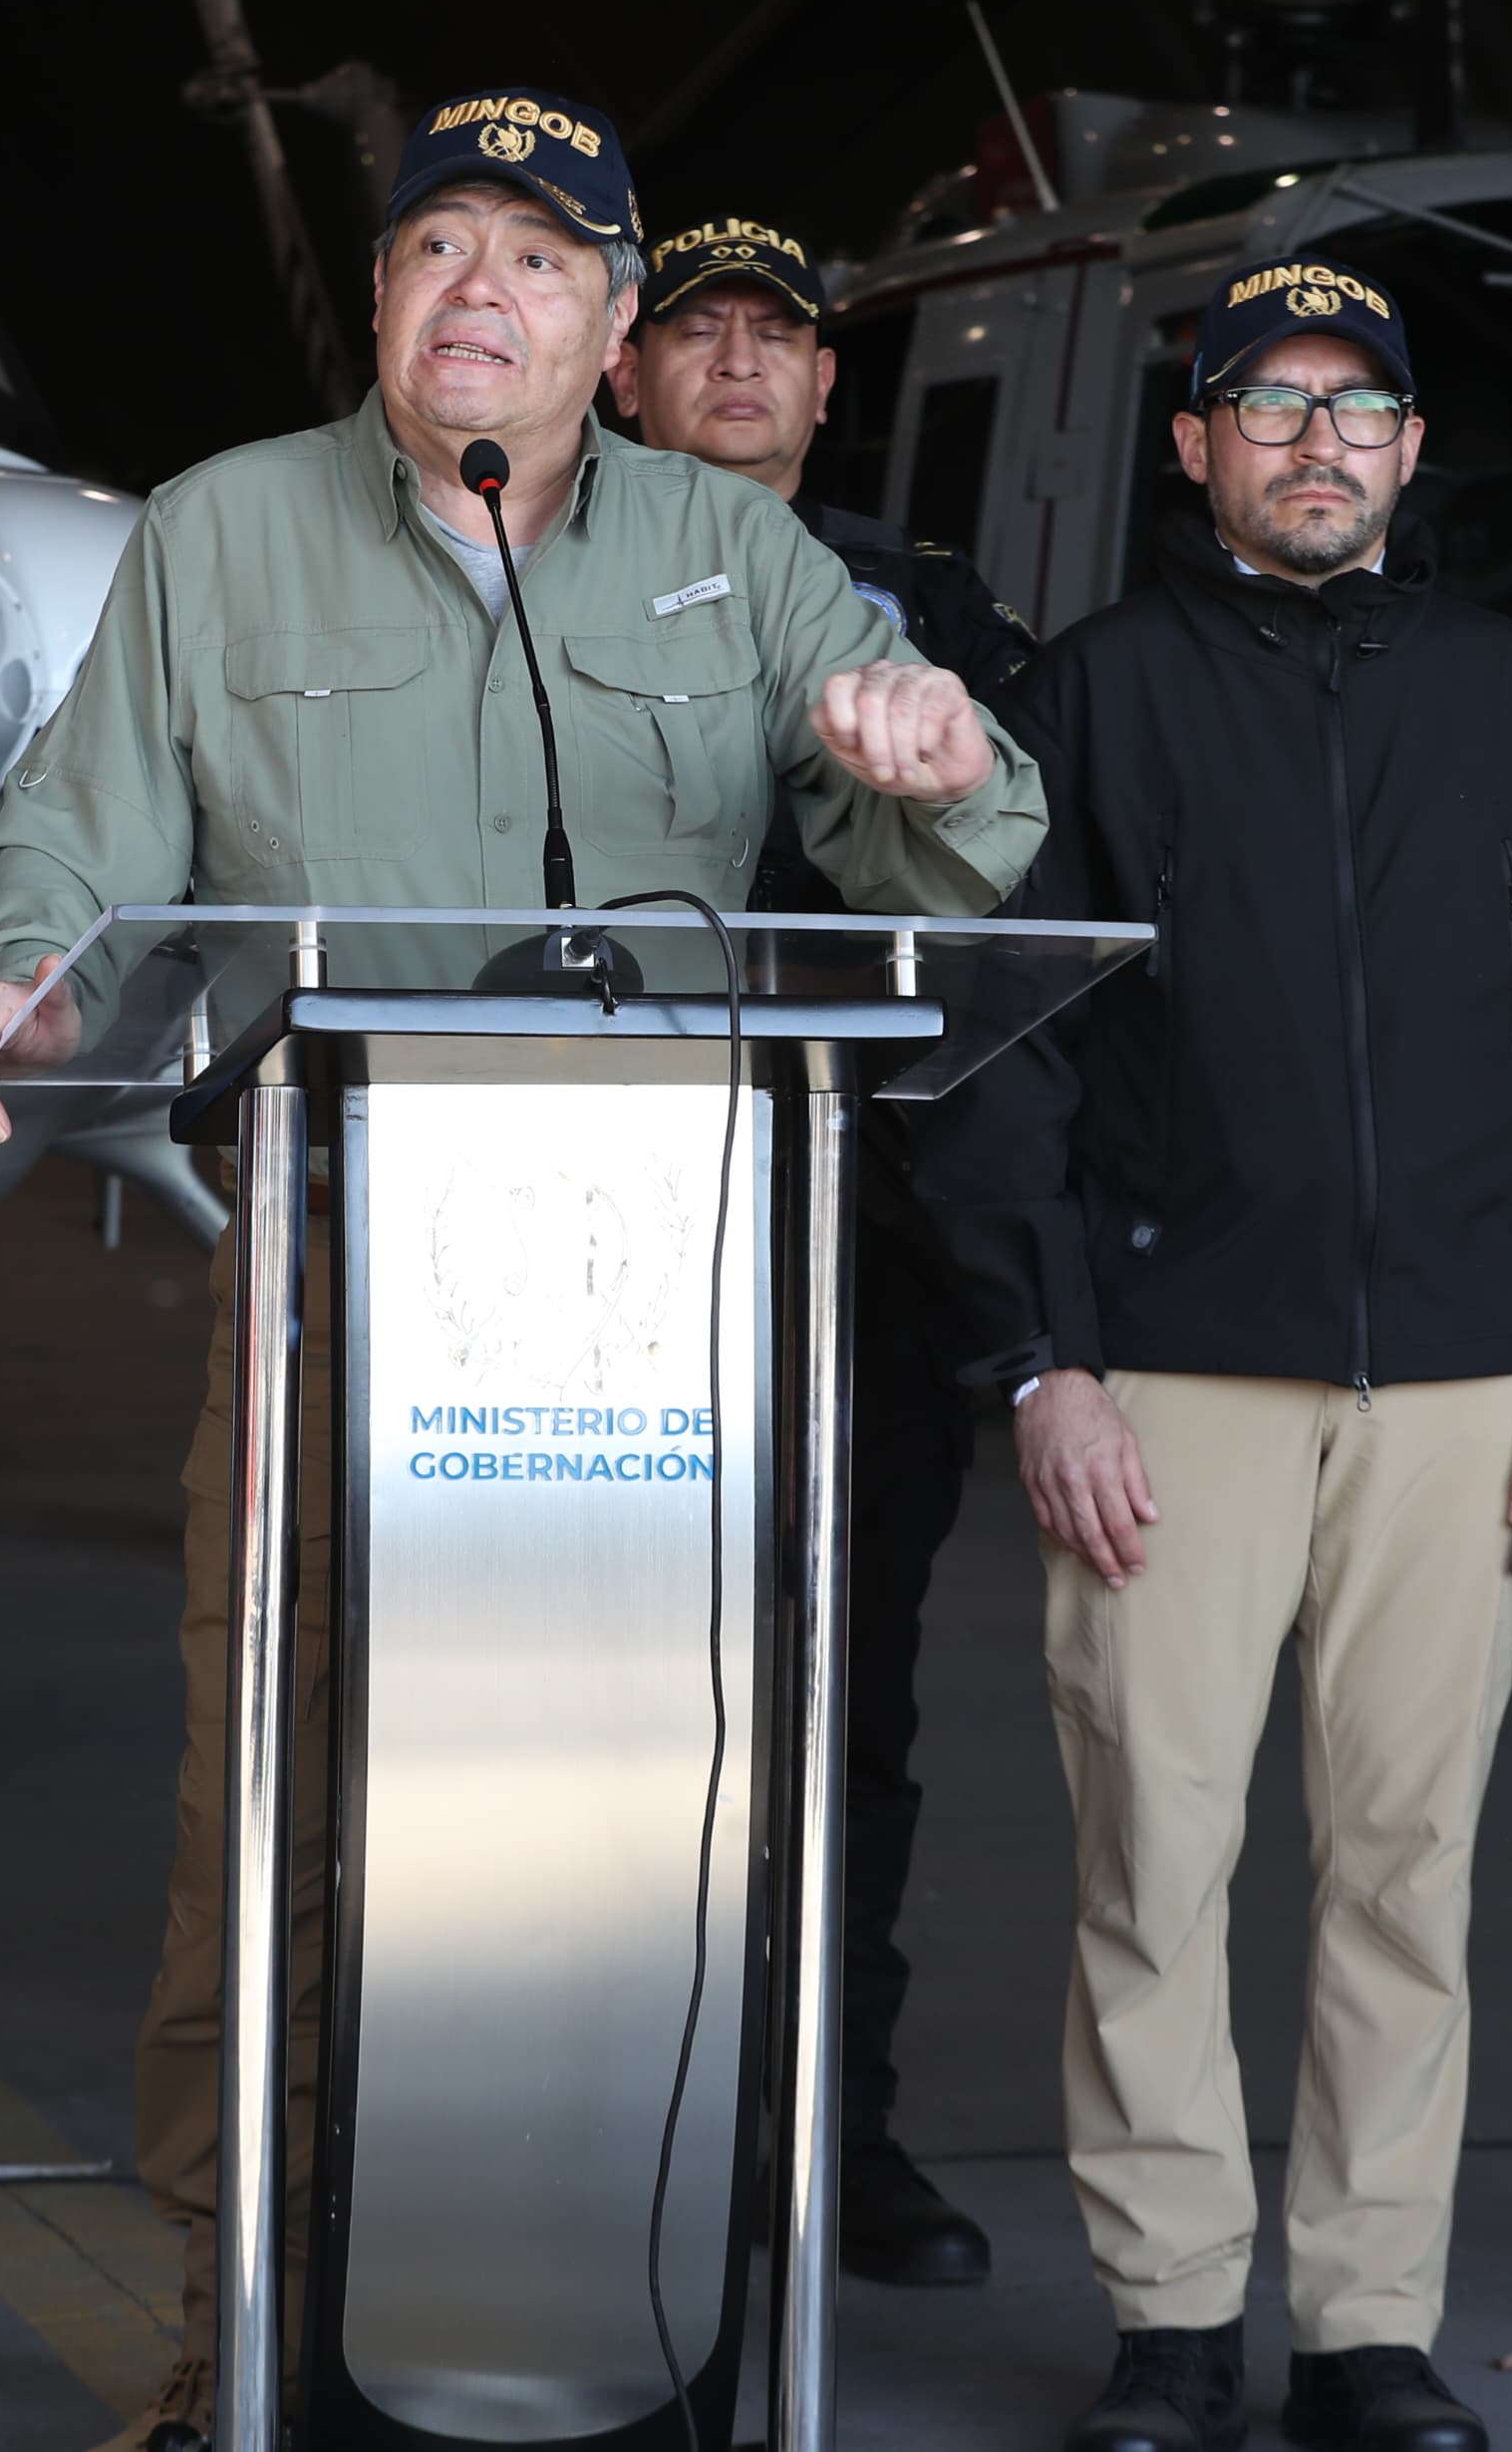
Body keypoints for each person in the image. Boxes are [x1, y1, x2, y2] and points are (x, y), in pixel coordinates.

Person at [0, 89, 1050, 2452]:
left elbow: (951, 843)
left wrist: (933, 753)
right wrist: (11, 967)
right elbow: (81, 825)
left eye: (539, 261)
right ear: (382, 298)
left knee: (664, 1827)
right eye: (440, 246)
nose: (481, 296)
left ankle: (645, 2338)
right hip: (337, 1269)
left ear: (614, 332)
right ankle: (240, 2341)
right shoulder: (229, 531)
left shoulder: (738, 565)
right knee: (282, 1820)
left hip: (664, 1310)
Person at [922, 255, 1512, 2452]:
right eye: (1269, 405)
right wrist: (1042, 1359)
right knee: (1151, 1859)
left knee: (1402, 1865)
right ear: (1195, 448)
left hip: (1463, 1379)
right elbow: (1005, 1054)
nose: (1317, 445)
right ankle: (1170, 2317)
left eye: (1360, 409)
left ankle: (1369, 2326)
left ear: (1413, 447)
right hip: (1169, 1371)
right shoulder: (1090, 698)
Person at [610, 209, 1036, 2289]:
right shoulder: (539, 586)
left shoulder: (940, 611)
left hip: (859, 1240)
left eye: (782, 334)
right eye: (699, 335)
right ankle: (609, 2133)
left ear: (830, 379)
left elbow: (1030, 898)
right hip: (590, 1227)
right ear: (621, 369)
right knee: (588, 1695)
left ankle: (827, 2141)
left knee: (842, 1707)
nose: (744, 365)